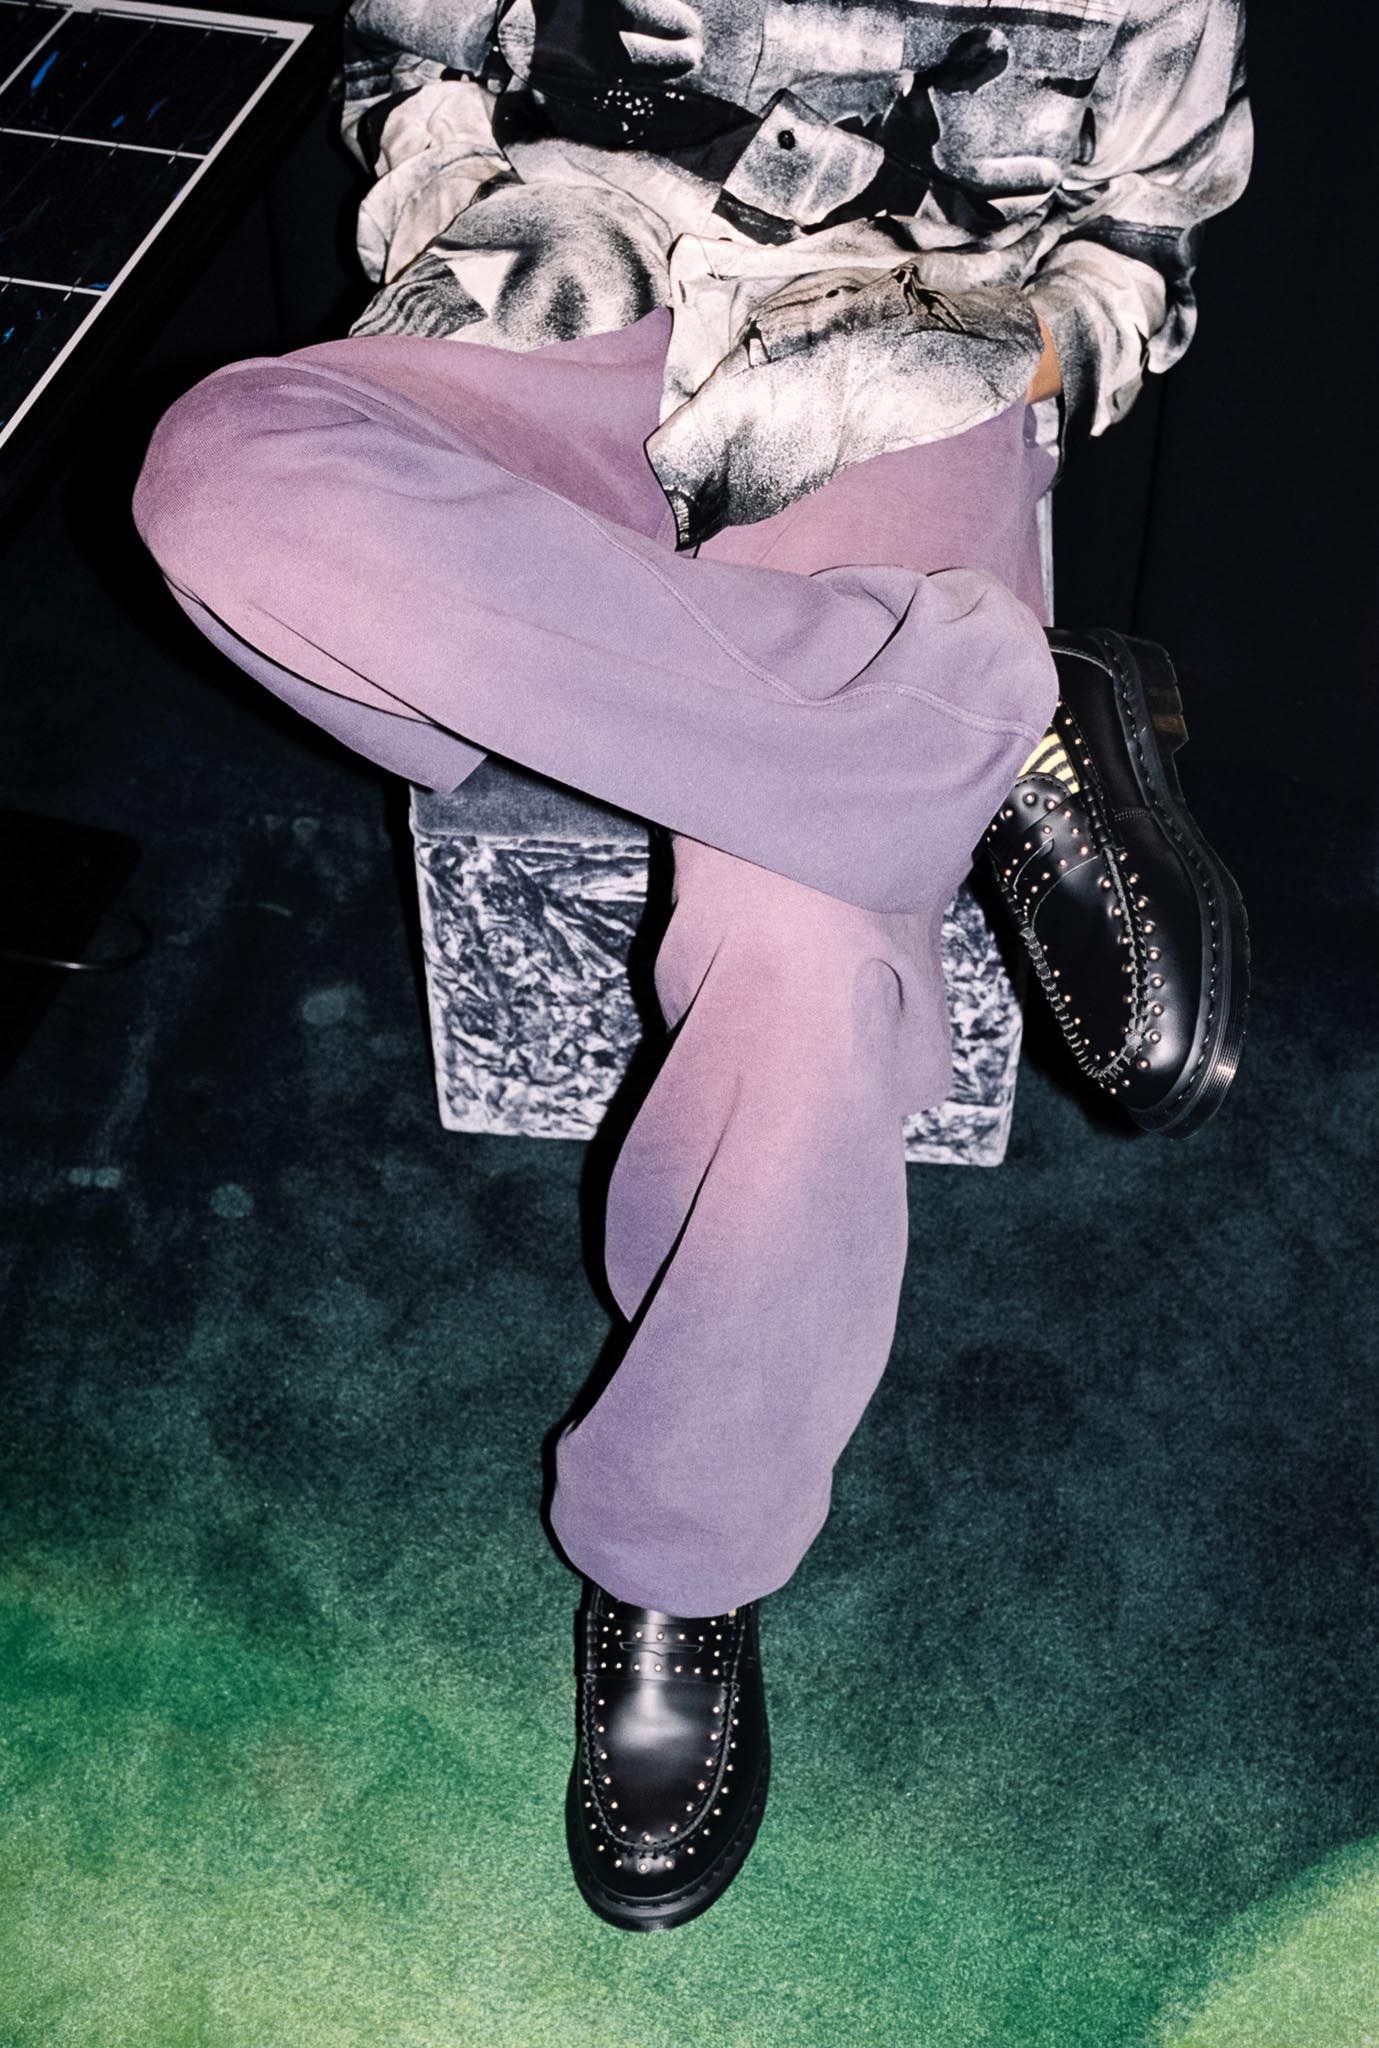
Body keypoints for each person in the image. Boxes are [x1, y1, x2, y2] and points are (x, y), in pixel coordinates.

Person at [131, 0, 1252, 1932]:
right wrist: (473, 223)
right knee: (221, 469)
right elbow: (409, 72)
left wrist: (1008, 345)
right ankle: (974, 726)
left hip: (900, 365)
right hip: (559, 308)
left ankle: (680, 1557)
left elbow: (1138, 259)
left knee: (802, 957)